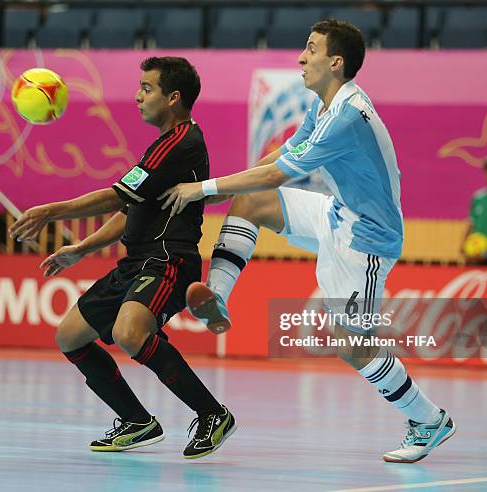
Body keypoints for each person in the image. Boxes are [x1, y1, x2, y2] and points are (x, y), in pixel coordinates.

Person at [159, 20, 455, 463]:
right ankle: (217, 299)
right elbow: (278, 156)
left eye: (311, 49)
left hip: (366, 241)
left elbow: (280, 173)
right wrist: (223, 190)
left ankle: (429, 419)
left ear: (335, 62)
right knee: (251, 203)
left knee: (352, 343)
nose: (301, 57)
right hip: (335, 214)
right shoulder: (324, 105)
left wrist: (200, 190)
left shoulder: (347, 115)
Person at [9, 57, 236, 460]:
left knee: (130, 332)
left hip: (168, 261)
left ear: (174, 97)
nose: (137, 96)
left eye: (147, 88)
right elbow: (130, 210)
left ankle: (212, 414)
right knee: (69, 336)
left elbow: (118, 195)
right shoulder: (165, 143)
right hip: (137, 264)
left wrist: (51, 211)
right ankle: (136, 422)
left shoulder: (181, 142)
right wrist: (80, 250)